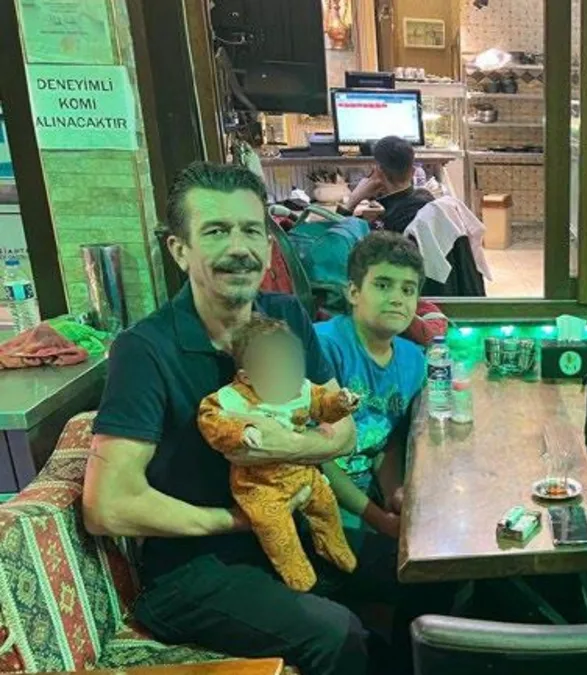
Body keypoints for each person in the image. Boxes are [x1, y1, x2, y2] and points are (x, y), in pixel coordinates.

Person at [82, 162, 443, 675]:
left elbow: (340, 429)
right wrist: (240, 519)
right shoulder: (145, 349)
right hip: (198, 569)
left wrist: (290, 448)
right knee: (335, 633)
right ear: (179, 250)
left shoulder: (287, 316)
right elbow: (107, 505)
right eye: (216, 231)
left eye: (251, 230)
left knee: (427, 571)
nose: (239, 247)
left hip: (295, 531)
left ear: (270, 247)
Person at [316, 231, 427, 543]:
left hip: (369, 496)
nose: (397, 298)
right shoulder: (323, 347)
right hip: (318, 505)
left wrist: (394, 496)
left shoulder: (413, 360)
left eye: (408, 290)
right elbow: (315, 455)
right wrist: (379, 520)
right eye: (383, 285)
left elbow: (389, 442)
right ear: (353, 292)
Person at [339, 135, 434, 233]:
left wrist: (351, 203)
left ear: (378, 170)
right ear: (413, 171)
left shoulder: (389, 223)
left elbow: (337, 236)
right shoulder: (425, 198)